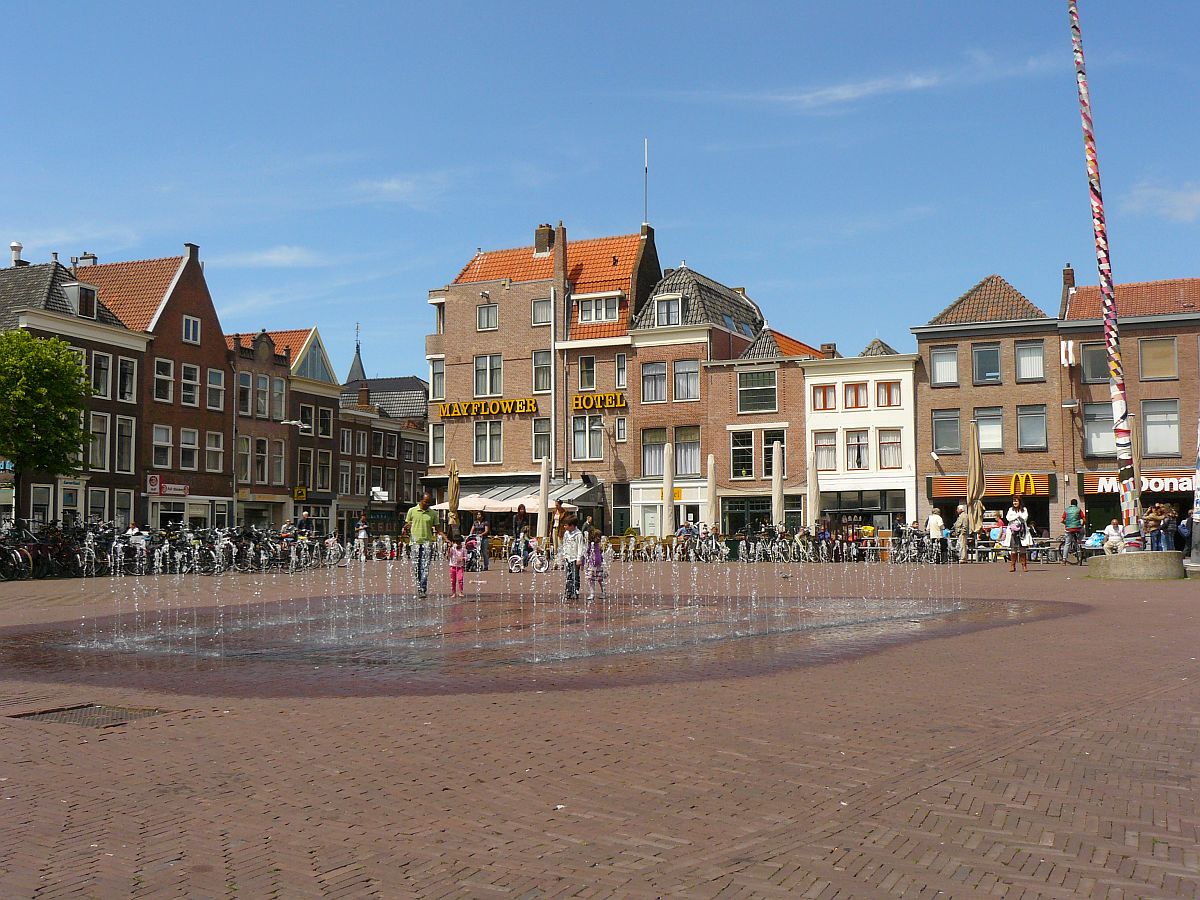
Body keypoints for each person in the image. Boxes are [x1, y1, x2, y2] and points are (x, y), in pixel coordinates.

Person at [403, 492, 440, 598]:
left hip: (427, 543)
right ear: (420, 500)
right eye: (425, 502)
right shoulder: (412, 511)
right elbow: (407, 525)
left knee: (425, 567)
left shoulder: (433, 513)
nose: (427, 504)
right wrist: (405, 529)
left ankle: (422, 588)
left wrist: (447, 540)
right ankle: (420, 587)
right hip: (414, 544)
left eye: (429, 502)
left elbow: (438, 529)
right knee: (416, 567)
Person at [559, 514, 585, 600]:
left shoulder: (578, 534)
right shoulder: (566, 533)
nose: (564, 527)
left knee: (575, 575)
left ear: (572, 525)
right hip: (568, 557)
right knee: (568, 575)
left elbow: (580, 547)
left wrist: (579, 558)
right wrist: (564, 554)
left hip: (575, 558)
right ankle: (568, 591)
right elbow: (564, 544)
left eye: (566, 525)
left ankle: (575, 591)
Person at [1005, 496, 1031, 573]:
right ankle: (1012, 565)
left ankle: (1024, 565)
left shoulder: (1024, 509)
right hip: (1013, 531)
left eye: (1016, 501)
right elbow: (1008, 518)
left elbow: (1024, 518)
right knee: (1013, 548)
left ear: (1019, 502)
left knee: (1023, 548)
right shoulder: (1010, 509)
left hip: (1022, 531)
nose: (1015, 503)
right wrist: (1017, 516)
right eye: (1014, 501)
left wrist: (1015, 517)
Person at [585, 528, 606, 602]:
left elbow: (589, 553)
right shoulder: (592, 545)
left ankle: (601, 593)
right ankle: (593, 593)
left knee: (598, 579)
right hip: (593, 565)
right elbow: (587, 553)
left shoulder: (596, 545)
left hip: (596, 565)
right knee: (592, 579)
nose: (598, 539)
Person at [1062, 499, 1084, 564]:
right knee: (1083, 531)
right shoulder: (1078, 510)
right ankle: (1079, 541)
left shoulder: (1066, 510)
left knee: (1067, 543)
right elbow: (1084, 520)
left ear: (1070, 503)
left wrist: (1067, 524)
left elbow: (1062, 520)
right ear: (1076, 504)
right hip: (1077, 528)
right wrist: (1082, 525)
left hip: (1068, 529)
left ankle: (1064, 559)